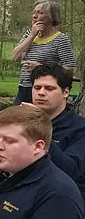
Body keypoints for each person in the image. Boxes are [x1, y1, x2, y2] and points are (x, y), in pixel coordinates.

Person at [29, 64, 85, 201]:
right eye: (37, 88)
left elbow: (70, 170)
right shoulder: (24, 121)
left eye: (49, 88)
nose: (41, 93)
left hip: (63, 197)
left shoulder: (80, 129)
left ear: (65, 92)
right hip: (30, 188)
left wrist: (39, 127)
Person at [12, 0, 75, 104]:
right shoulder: (30, 34)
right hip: (24, 88)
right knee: (15, 119)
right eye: (34, 12)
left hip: (45, 90)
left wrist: (40, 67)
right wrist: (32, 36)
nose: (34, 16)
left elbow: (70, 69)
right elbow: (15, 57)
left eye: (40, 13)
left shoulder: (61, 39)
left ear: (52, 17)